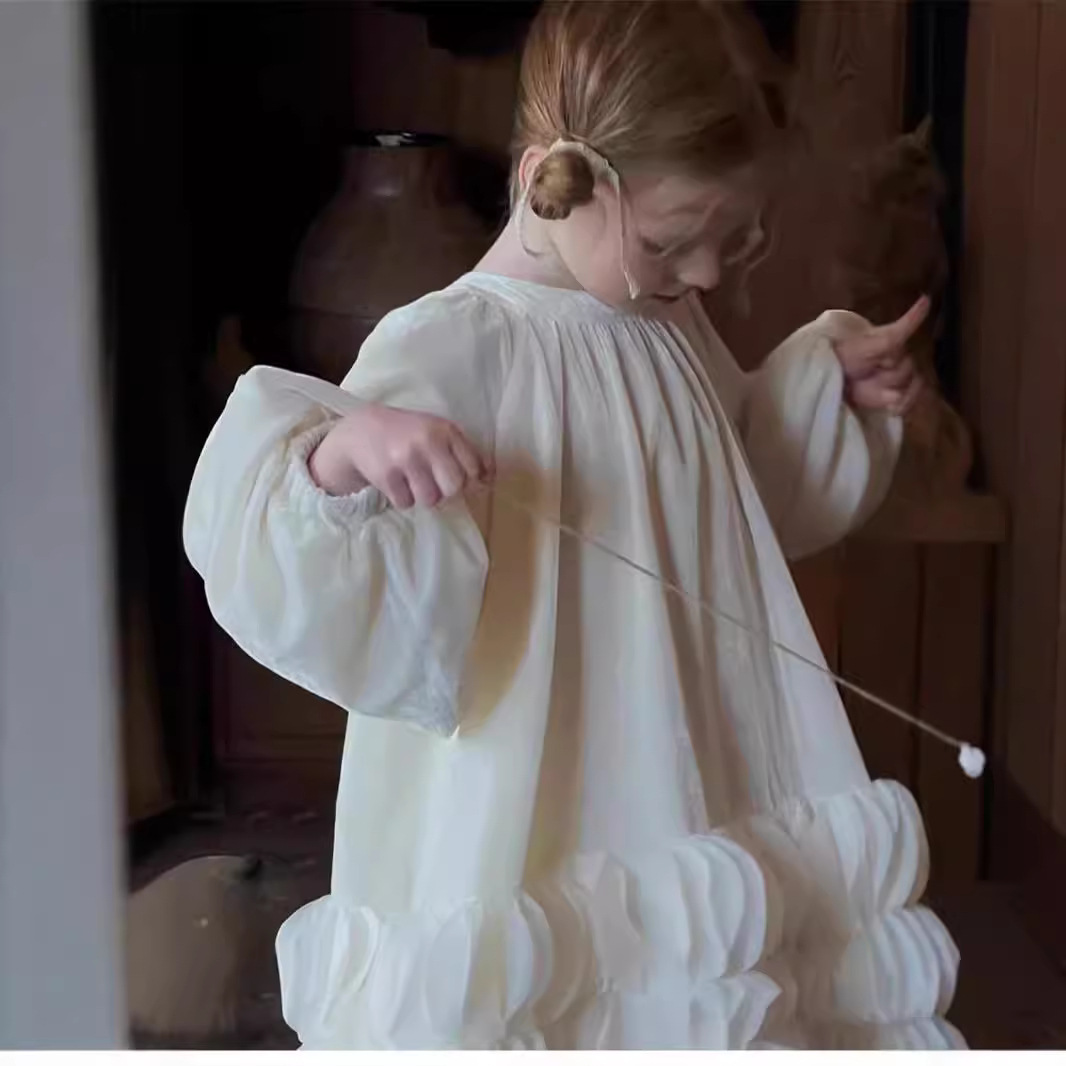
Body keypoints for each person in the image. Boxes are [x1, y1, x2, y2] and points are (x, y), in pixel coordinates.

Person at [184, 0, 963, 1050]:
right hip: (537, 779)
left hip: (690, 747)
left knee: (704, 965)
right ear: (557, 179)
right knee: (564, 985)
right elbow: (296, 545)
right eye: (673, 241)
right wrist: (347, 454)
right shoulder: (457, 342)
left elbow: (731, 480)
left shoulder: (665, 322)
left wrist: (823, 387)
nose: (703, 275)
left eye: (732, 242)